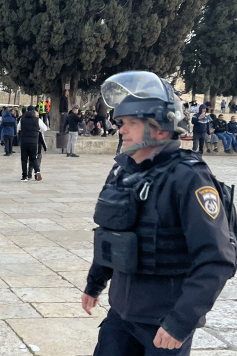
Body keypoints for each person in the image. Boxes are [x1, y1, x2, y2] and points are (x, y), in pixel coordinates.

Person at [82, 71, 236, 356]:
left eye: (131, 123)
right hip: (121, 315)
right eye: (120, 123)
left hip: (164, 323)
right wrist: (95, 283)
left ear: (160, 129)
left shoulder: (188, 178)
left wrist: (180, 322)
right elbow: (110, 234)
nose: (121, 130)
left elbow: (216, 259)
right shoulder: (122, 171)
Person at [18, 106, 42, 181]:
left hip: (24, 142)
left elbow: (18, 128)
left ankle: (24, 176)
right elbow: (44, 128)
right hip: (33, 142)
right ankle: (37, 171)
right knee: (33, 158)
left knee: (24, 159)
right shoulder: (37, 120)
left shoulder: (22, 120)